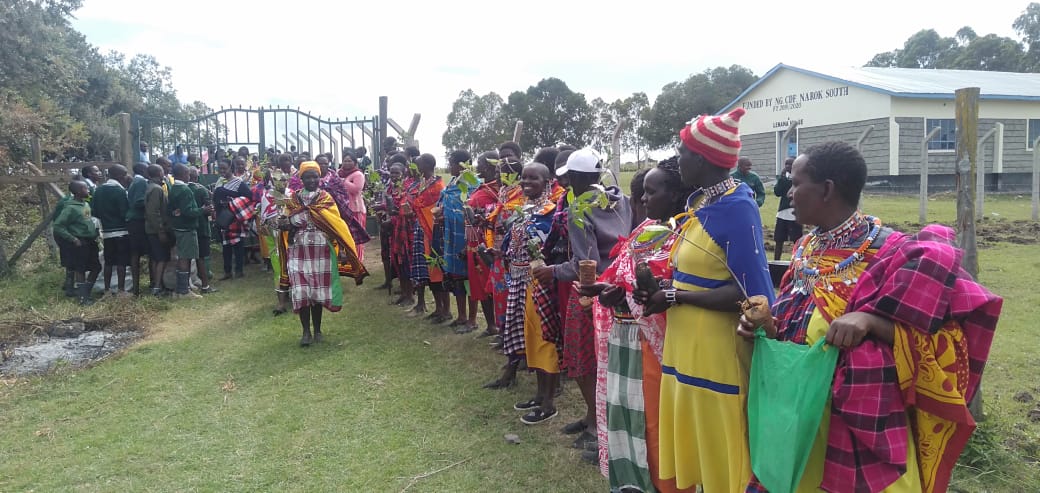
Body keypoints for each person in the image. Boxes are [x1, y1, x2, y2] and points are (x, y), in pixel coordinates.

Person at [739, 142, 1002, 493]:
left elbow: (947, 343)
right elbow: (798, 329)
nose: (788, 192)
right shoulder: (806, 247)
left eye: (795, 182)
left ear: (827, 189)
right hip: (796, 423)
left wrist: (871, 322)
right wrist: (767, 326)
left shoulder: (897, 254)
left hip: (856, 431)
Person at [632, 108, 774, 492]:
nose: (678, 159)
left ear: (702, 159)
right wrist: (663, 289)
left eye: (683, 152)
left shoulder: (737, 207)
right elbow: (698, 271)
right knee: (698, 444)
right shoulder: (703, 205)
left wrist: (677, 295)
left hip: (716, 352)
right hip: (686, 346)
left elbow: (751, 294)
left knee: (722, 448)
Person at [579, 158, 695, 492]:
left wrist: (627, 294)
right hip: (624, 341)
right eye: (641, 193)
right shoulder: (644, 232)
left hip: (654, 347)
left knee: (656, 426)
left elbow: (670, 292)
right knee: (626, 420)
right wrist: (609, 292)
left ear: (675, 195)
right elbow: (620, 277)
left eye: (650, 192)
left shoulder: (685, 237)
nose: (641, 200)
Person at [532, 147, 633, 460]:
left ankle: (596, 427)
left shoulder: (579, 209)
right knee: (603, 359)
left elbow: (583, 264)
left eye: (569, 178)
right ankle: (593, 417)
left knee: (581, 361)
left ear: (575, 178)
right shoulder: (621, 199)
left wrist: (550, 271)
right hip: (618, 286)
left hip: (589, 292)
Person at [502, 162, 561, 424]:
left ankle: (549, 403)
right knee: (531, 340)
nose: (526, 183)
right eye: (523, 178)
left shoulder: (551, 211)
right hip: (521, 282)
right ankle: (539, 395)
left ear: (547, 182)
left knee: (543, 340)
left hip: (540, 283)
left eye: (533, 179)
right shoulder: (526, 209)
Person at [283, 161, 368, 346]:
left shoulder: (326, 198)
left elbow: (335, 222)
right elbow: (288, 219)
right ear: (301, 178)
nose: (312, 180)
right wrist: (285, 222)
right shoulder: (293, 200)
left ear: (319, 178)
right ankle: (305, 332)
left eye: (315, 176)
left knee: (318, 291)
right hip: (299, 249)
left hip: (321, 248)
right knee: (301, 290)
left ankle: (318, 330)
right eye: (308, 177)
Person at [482, 142, 527, 389]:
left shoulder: (522, 197)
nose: (497, 179)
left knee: (517, 307)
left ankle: (521, 356)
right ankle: (512, 349)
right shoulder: (503, 194)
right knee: (504, 302)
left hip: (515, 261)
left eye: (502, 175)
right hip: (500, 257)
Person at [405, 153, 448, 321]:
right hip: (421, 229)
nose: (417, 167)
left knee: (437, 269)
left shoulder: (437, 186)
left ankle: (445, 310)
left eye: (420, 164)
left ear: (428, 165)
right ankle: (438, 308)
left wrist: (413, 205)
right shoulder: (423, 183)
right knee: (428, 270)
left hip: (433, 231)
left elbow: (427, 206)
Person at [464, 151, 501, 337]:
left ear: (488, 167)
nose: (477, 167)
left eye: (479, 163)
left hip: (488, 244)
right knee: (480, 285)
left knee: (492, 284)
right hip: (474, 242)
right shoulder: (482, 188)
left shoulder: (498, 191)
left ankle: (499, 327)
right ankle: (490, 325)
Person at [438, 150, 472, 332]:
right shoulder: (452, 183)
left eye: (451, 163)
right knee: (457, 278)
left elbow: (471, 210)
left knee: (470, 278)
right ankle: (461, 316)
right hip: (451, 238)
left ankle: (472, 320)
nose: (449, 166)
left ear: (460, 165)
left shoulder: (472, 185)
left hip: (466, 237)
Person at [53, 181, 101, 306]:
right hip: (79, 241)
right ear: (79, 191)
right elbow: (58, 226)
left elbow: (87, 220)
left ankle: (85, 292)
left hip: (91, 240)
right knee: (80, 269)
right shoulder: (70, 208)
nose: (88, 190)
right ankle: (82, 298)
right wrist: (73, 239)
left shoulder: (85, 204)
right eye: (85, 188)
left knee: (96, 267)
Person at [168, 164, 212, 298]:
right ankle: (184, 291)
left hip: (178, 226)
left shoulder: (173, 188)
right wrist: (203, 210)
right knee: (185, 258)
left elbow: (175, 209)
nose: (190, 176)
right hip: (186, 228)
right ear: (182, 174)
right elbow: (188, 211)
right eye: (187, 174)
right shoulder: (184, 190)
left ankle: (183, 288)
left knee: (184, 257)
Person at [91, 164, 131, 297]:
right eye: (125, 174)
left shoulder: (99, 190)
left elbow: (94, 211)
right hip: (121, 232)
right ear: (119, 176)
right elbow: (124, 213)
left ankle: (107, 290)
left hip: (106, 233)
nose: (126, 177)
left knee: (108, 262)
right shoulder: (120, 191)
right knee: (121, 262)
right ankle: (121, 290)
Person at [212, 159, 253, 280]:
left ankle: (239, 270)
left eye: (224, 168)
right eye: (220, 169)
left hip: (234, 217)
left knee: (238, 245)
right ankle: (227, 271)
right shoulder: (220, 182)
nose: (222, 171)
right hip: (222, 217)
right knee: (226, 246)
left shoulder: (238, 182)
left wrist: (231, 200)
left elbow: (249, 196)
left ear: (231, 167)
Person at [144, 164, 172, 296]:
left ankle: (156, 285)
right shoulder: (156, 189)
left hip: (152, 230)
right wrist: (160, 231)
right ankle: (157, 287)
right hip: (156, 230)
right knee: (161, 258)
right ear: (160, 173)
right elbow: (153, 212)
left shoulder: (151, 187)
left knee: (156, 258)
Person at [187, 167, 217, 293]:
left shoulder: (183, 188)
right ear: (197, 177)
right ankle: (205, 284)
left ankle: (190, 282)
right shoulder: (201, 190)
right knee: (202, 257)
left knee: (189, 257)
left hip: (189, 227)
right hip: (202, 227)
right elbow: (209, 209)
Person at [336, 151, 369, 261]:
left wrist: (343, 181)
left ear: (355, 162)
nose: (347, 163)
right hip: (342, 209)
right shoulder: (338, 173)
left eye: (350, 161)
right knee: (344, 234)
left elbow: (356, 189)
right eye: (345, 161)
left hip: (356, 209)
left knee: (357, 236)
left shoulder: (358, 174)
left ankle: (358, 259)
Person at [126, 163, 151, 296]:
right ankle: (137, 288)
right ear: (142, 170)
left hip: (133, 221)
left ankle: (136, 287)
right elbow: (139, 202)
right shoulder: (141, 182)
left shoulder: (135, 181)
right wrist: (152, 203)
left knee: (135, 254)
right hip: (138, 221)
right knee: (139, 253)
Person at [773, 157, 803, 261]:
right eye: (786, 164)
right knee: (779, 239)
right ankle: (776, 261)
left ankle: (796, 261)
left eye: (790, 164)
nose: (787, 166)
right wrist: (781, 178)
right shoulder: (783, 178)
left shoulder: (799, 177)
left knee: (796, 240)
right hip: (782, 213)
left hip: (795, 213)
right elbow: (777, 192)